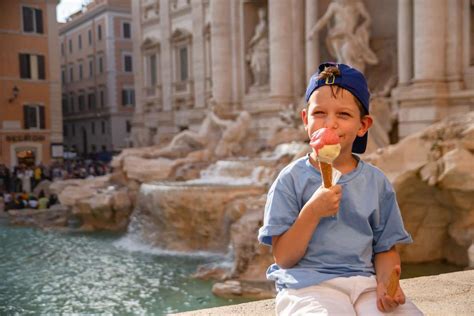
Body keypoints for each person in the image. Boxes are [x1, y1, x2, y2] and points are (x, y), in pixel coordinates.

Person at [258, 62, 423, 315]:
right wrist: (311, 212)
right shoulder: (290, 179)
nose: (330, 123)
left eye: (343, 115)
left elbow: (385, 249)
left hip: (366, 284)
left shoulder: (376, 182)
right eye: (319, 113)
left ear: (363, 125)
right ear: (305, 119)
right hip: (309, 285)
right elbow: (283, 257)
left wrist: (386, 284)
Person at [307, 0, 378, 73]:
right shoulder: (334, 5)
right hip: (336, 35)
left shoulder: (357, 4)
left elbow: (368, 19)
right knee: (340, 59)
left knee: (347, 53)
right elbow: (324, 19)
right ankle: (345, 79)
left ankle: (353, 78)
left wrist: (362, 27)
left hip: (349, 35)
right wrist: (313, 31)